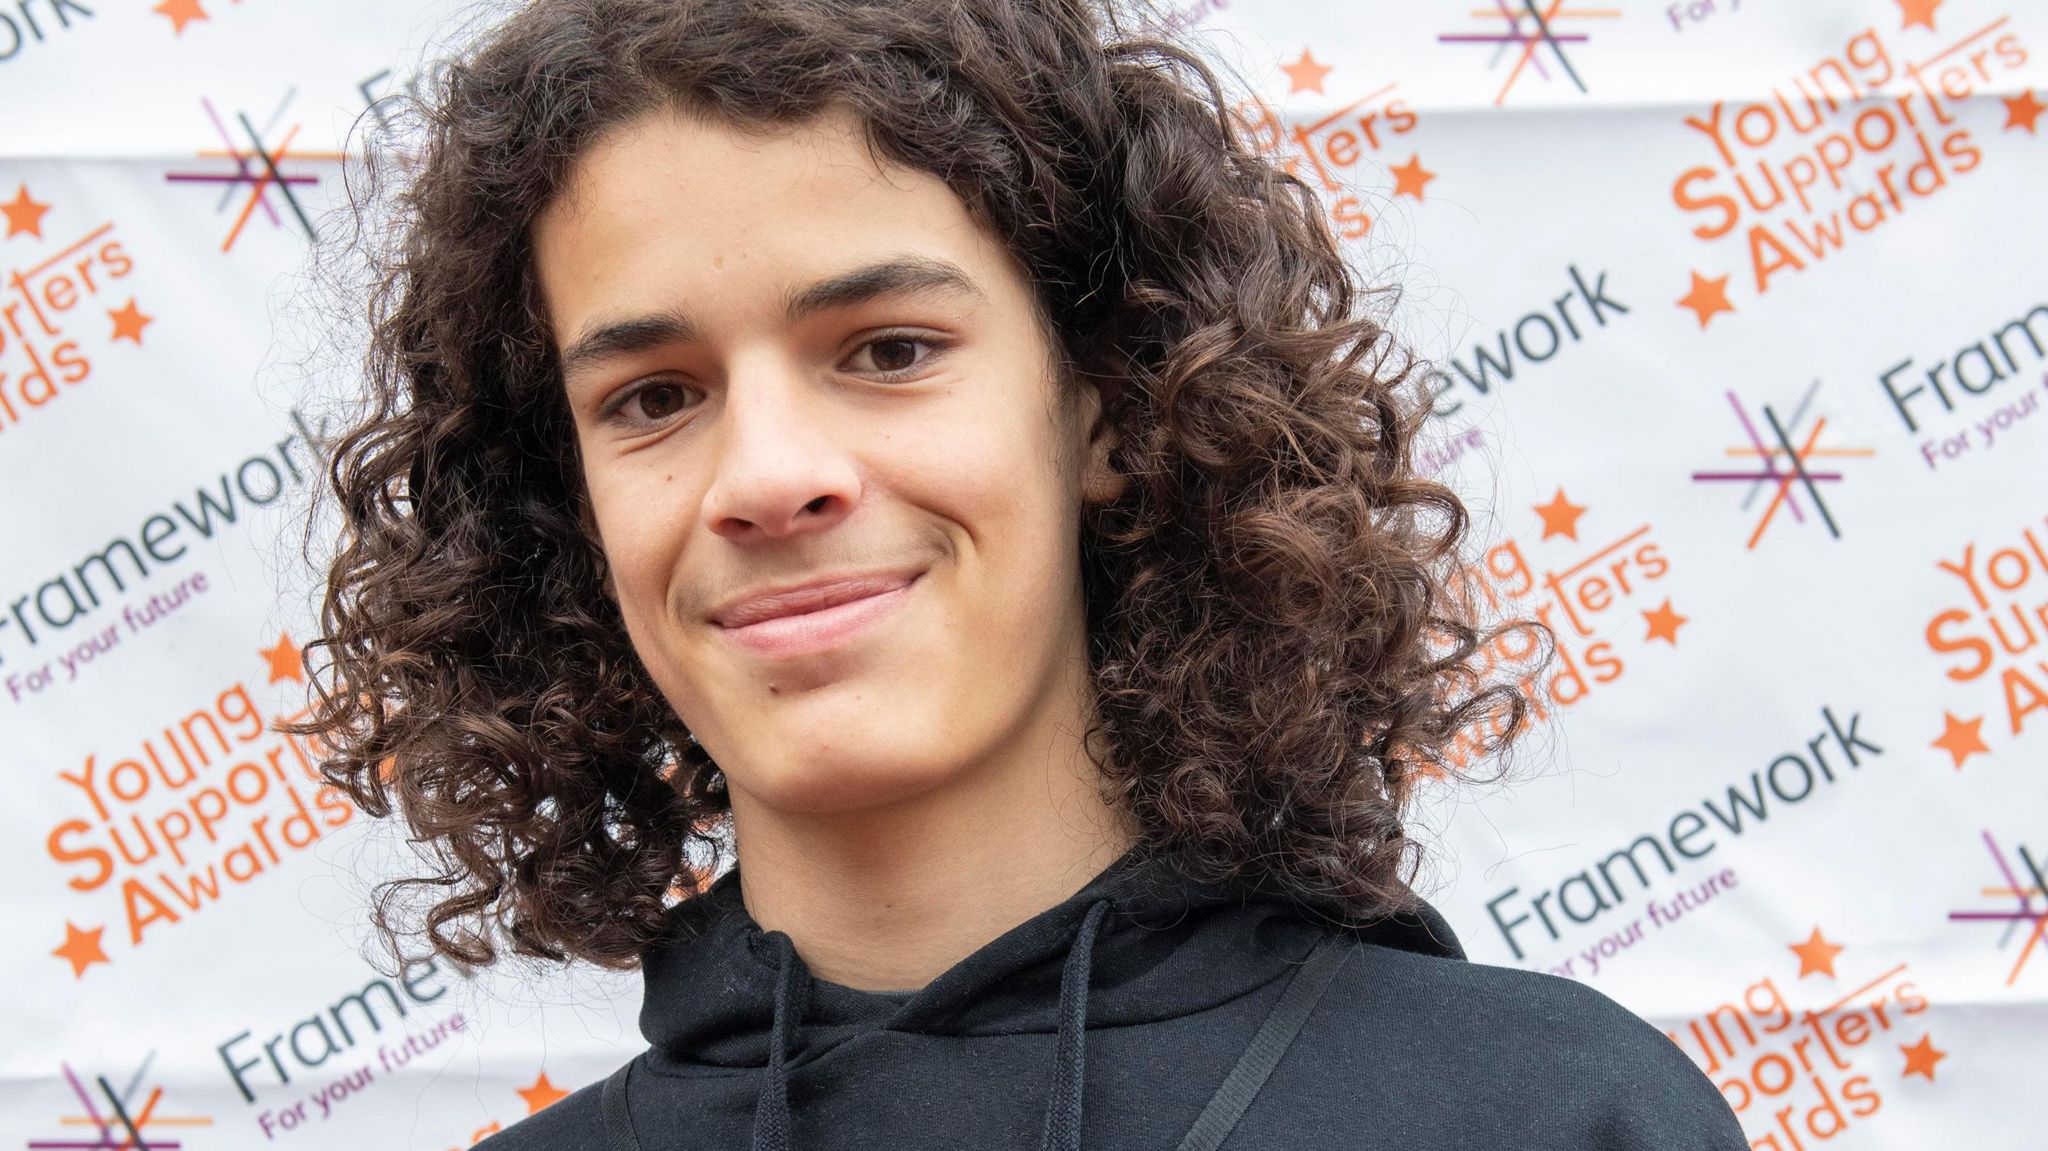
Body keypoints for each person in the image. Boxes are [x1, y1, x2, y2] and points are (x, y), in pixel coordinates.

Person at [286, 0, 1750, 1147]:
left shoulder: (1553, 1117)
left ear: (1106, 410)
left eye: (890, 352)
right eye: (654, 398)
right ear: (572, 512)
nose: (765, 477)